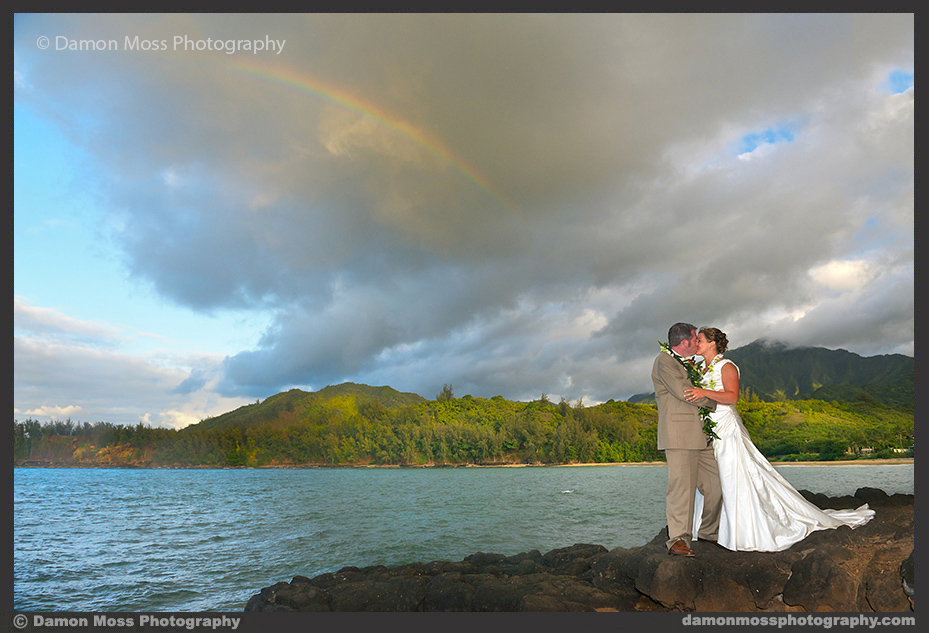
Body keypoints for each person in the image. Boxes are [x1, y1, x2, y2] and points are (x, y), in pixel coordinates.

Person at [684, 327, 875, 552]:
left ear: (712, 344)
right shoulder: (700, 369)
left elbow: (732, 397)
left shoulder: (727, 366)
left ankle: (739, 529)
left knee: (731, 475)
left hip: (725, 427)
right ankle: (707, 526)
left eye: (700, 340)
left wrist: (703, 392)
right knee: (710, 478)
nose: (695, 343)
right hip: (708, 429)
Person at [651, 322, 723, 556]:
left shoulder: (692, 363)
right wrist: (720, 402)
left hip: (702, 435)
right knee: (682, 490)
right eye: (695, 340)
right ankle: (678, 540)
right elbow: (686, 392)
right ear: (684, 343)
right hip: (679, 436)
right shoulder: (664, 361)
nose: (697, 343)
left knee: (716, 486)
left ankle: (709, 534)